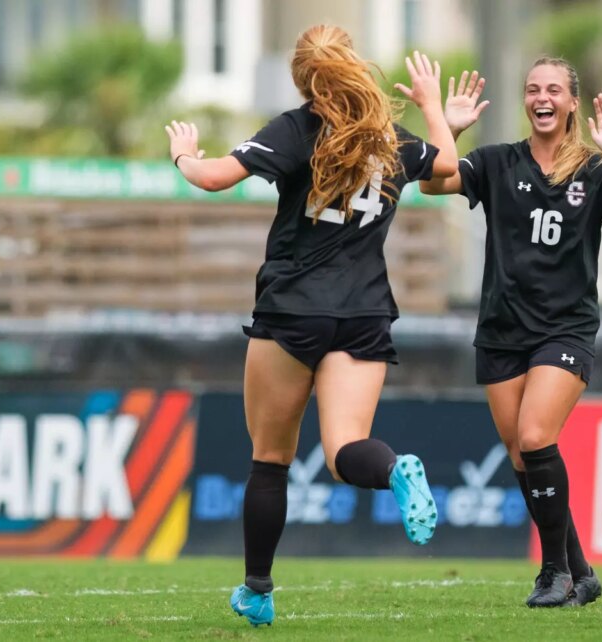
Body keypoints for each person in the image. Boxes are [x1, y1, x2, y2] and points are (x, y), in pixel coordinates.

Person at [164, 26, 459, 627]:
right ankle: (394, 468)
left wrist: (184, 153)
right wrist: (434, 108)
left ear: (304, 79)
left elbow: (214, 177)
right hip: (366, 314)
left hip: (294, 311)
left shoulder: (297, 128)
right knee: (345, 447)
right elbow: (446, 168)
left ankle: (258, 590)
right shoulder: (386, 137)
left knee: (270, 459)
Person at [420, 59, 602, 607]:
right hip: (502, 329)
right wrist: (449, 129)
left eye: (554, 89)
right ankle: (580, 570)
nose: (542, 97)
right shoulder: (498, 160)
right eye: (532, 89)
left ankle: (553, 573)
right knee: (524, 456)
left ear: (573, 101)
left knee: (534, 437)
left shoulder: (596, 171)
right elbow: (434, 183)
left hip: (565, 330)